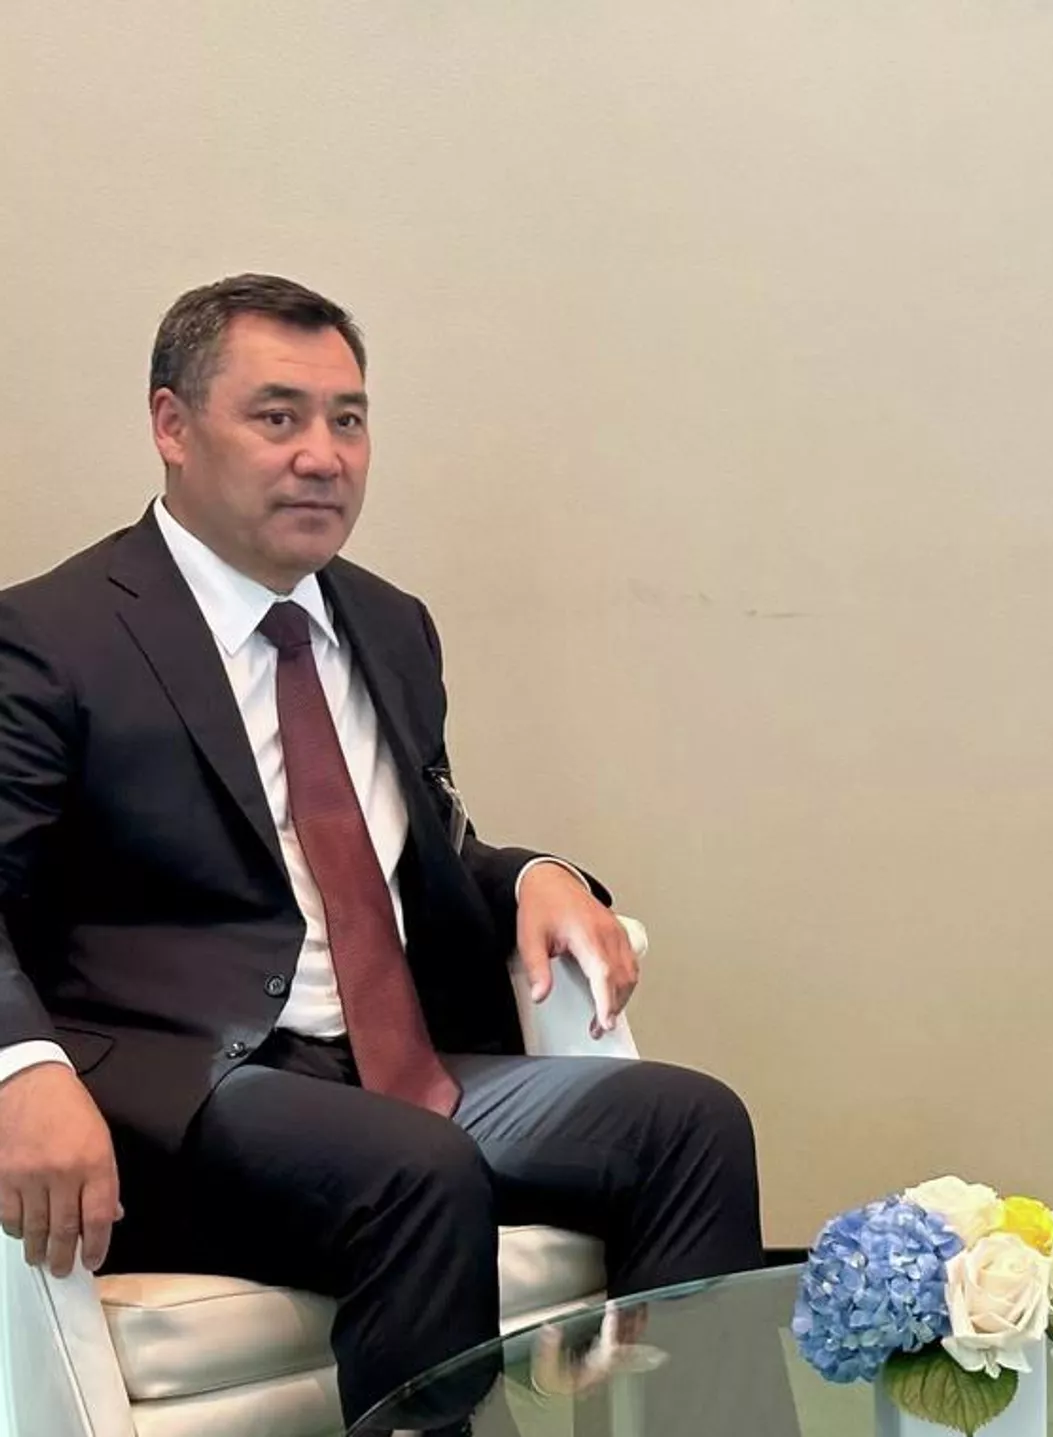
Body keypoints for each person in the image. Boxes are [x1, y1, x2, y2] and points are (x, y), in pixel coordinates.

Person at [0, 275, 766, 1435]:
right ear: (172, 425)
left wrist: (534, 875)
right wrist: (21, 1068)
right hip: (184, 1096)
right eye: (278, 417)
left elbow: (418, 846)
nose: (323, 455)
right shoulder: (54, 638)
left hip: (392, 1070)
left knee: (689, 1124)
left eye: (348, 420)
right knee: (416, 1167)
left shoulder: (388, 623)